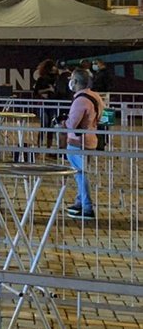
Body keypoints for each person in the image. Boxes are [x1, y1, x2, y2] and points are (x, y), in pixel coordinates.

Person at [65, 67, 104, 221]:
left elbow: (72, 123)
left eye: (72, 79)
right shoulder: (95, 96)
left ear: (76, 82)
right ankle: (79, 202)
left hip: (78, 142)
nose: (70, 82)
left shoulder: (80, 100)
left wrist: (62, 124)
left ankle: (87, 207)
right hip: (91, 139)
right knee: (81, 173)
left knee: (80, 175)